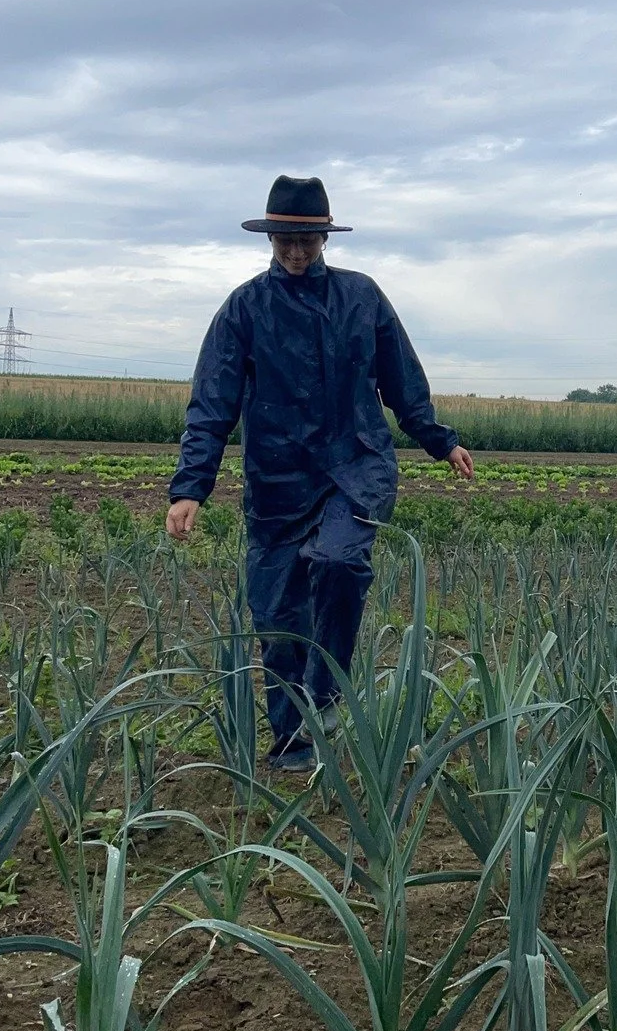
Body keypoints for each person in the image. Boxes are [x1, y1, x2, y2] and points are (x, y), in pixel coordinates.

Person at [166, 174, 473, 770]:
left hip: (355, 468)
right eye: (286, 239)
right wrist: (190, 487)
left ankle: (327, 697)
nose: (297, 251)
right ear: (271, 237)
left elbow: (403, 381)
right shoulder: (244, 309)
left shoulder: (362, 297)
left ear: (326, 237)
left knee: (338, 561)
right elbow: (212, 404)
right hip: (278, 481)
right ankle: (294, 747)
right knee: (278, 621)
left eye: (309, 240)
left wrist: (439, 441)